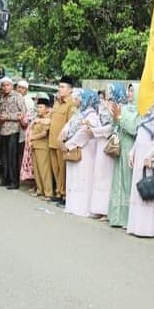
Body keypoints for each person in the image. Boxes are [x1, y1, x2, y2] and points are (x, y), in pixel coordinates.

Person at [127, 95, 154, 237]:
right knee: (139, 189)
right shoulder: (146, 115)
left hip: (152, 159)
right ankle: (136, 226)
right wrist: (132, 153)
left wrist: (149, 156)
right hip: (140, 157)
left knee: (150, 191)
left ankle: (148, 229)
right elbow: (139, 137)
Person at [89, 83, 126, 217]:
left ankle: (106, 210)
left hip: (110, 142)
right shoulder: (105, 105)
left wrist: (94, 131)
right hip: (100, 142)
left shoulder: (120, 107)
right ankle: (98, 208)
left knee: (107, 177)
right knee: (99, 175)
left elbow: (112, 126)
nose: (108, 93)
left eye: (111, 91)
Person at [62, 89, 100, 217]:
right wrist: (64, 137)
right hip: (73, 147)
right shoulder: (79, 113)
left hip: (85, 150)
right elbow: (68, 126)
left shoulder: (92, 115)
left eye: (79, 98)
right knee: (74, 177)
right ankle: (73, 205)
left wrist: (69, 145)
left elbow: (84, 133)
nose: (76, 101)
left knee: (84, 178)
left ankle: (82, 207)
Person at [108, 86, 141, 228]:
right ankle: (116, 217)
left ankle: (127, 219)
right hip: (120, 145)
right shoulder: (125, 108)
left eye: (132, 91)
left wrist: (120, 117)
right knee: (118, 181)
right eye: (128, 90)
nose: (129, 93)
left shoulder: (140, 110)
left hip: (130, 147)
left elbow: (134, 129)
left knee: (127, 182)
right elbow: (115, 125)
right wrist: (115, 120)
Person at [48, 76, 76, 206]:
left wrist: (65, 140)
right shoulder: (57, 102)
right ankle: (58, 192)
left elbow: (71, 124)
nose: (60, 89)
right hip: (52, 140)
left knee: (63, 169)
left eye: (63, 87)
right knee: (55, 169)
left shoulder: (72, 103)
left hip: (61, 141)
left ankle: (64, 194)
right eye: (59, 86)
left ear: (70, 90)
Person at [0, 76, 26, 189]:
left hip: (13, 130)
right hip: (3, 130)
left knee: (12, 157)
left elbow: (22, 113)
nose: (5, 87)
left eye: (7, 85)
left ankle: (14, 182)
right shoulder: (1, 97)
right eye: (3, 85)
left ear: (12, 86)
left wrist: (7, 117)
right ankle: (5, 179)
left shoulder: (18, 96)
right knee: (4, 157)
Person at [29, 97, 53, 199]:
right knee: (37, 170)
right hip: (35, 145)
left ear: (47, 108)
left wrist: (32, 137)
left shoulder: (47, 118)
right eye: (38, 107)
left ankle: (48, 192)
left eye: (41, 107)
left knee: (44, 170)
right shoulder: (37, 117)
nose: (38, 109)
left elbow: (44, 133)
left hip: (43, 146)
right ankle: (40, 190)